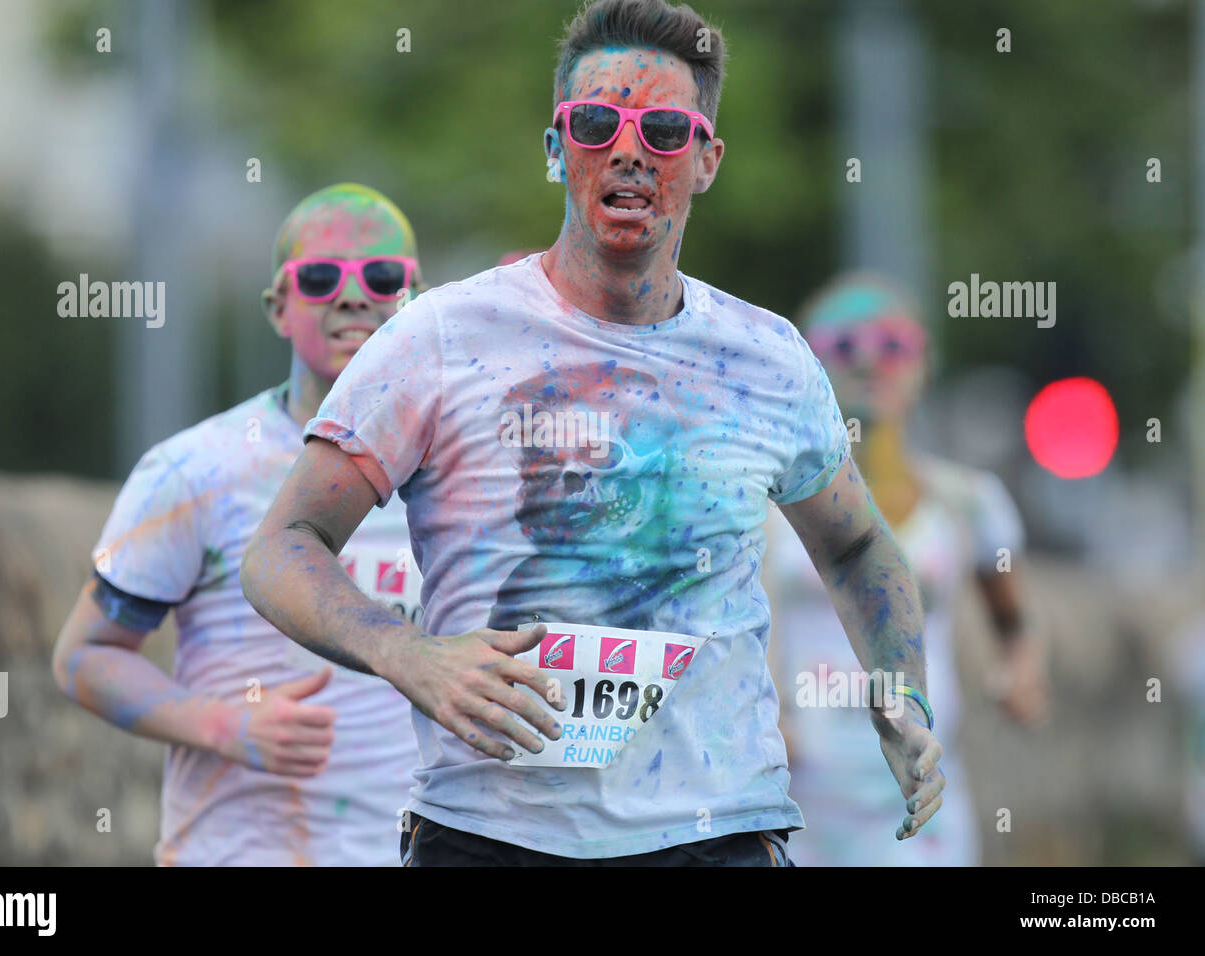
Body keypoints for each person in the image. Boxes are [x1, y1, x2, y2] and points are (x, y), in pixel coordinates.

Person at [241, 0, 945, 867]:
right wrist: (406, 653)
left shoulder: (767, 358)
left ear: (707, 159)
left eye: (664, 130)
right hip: (489, 834)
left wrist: (899, 687)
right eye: (596, 122)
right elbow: (282, 544)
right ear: (555, 147)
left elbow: (856, 546)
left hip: (716, 833)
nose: (628, 150)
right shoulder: (439, 338)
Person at [52, 183, 427, 866]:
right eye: (318, 277)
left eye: (380, 276)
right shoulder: (195, 469)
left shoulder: (454, 478)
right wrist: (226, 726)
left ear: (415, 300)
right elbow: (83, 657)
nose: (351, 295)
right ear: (279, 308)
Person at [763, 272, 1050, 865]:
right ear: (807, 365)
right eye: (843, 347)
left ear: (924, 362)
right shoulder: (765, 501)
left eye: (892, 345)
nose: (869, 362)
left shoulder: (969, 502)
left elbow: (1016, 625)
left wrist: (1020, 674)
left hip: (923, 796)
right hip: (795, 797)